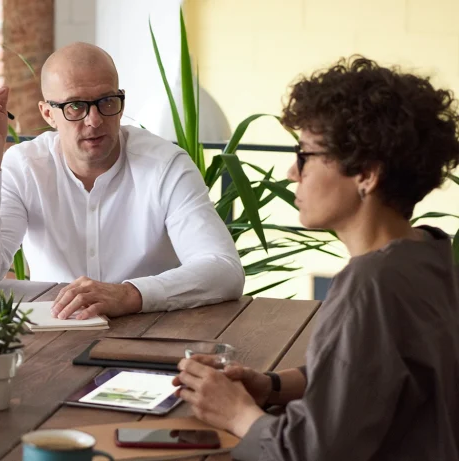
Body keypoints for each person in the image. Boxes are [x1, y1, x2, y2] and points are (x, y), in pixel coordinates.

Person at [174, 56, 459, 460]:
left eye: (305, 154)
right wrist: (271, 385)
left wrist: (237, 413)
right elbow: (369, 377)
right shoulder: (429, 255)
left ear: (367, 174)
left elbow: (311, 453)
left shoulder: (371, 285)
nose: (293, 171)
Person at [0, 42, 243, 319]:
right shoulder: (25, 167)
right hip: (54, 334)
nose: (94, 120)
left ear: (121, 102)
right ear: (48, 113)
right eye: (76, 106)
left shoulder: (166, 166)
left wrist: (129, 295)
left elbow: (224, 270)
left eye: (106, 101)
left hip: (151, 330)